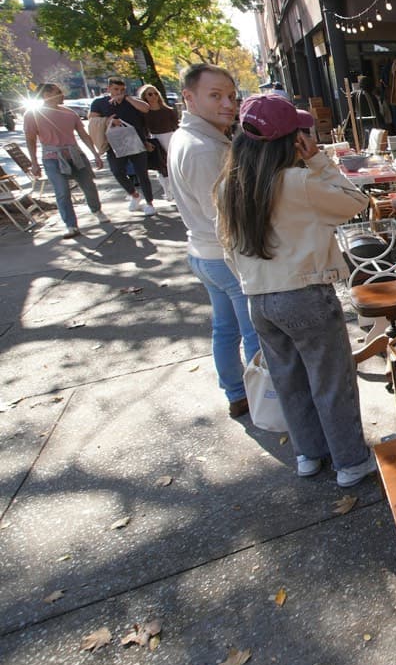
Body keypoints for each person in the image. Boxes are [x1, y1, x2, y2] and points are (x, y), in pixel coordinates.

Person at [217, 93, 375, 486]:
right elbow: (357, 201)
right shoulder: (298, 182)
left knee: (289, 381)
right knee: (331, 381)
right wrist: (318, 160)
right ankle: (351, 462)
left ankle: (309, 454)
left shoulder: (228, 185)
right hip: (304, 295)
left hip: (260, 299)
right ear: (290, 141)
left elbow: (227, 247)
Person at [171, 63, 259, 420]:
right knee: (253, 331)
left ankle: (238, 393)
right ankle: (266, 398)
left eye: (231, 96)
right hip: (222, 255)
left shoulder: (198, 137)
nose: (228, 104)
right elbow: (226, 217)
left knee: (226, 328)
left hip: (204, 253)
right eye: (216, 96)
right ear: (189, 98)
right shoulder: (203, 148)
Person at [23, 83, 107, 237]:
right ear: (46, 95)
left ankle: (97, 210)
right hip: (52, 159)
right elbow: (30, 140)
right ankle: (71, 225)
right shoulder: (32, 114)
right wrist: (34, 163)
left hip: (75, 155)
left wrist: (95, 154)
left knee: (89, 186)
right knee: (62, 191)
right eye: (58, 92)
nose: (62, 94)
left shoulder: (69, 113)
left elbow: (83, 134)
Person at [88, 77, 156, 214]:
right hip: (114, 143)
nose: (118, 92)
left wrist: (127, 98)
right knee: (117, 171)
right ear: (108, 89)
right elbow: (92, 119)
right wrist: (109, 121)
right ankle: (134, 195)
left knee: (142, 173)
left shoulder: (131, 100)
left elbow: (146, 108)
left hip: (136, 141)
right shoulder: (100, 103)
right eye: (115, 89)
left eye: (121, 89)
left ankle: (149, 203)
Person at [138, 84, 179, 186]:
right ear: (145, 97)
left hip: (170, 137)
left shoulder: (168, 110)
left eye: (156, 93)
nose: (154, 96)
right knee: (161, 165)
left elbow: (176, 125)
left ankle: (176, 186)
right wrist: (146, 141)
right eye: (150, 94)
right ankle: (167, 189)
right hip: (155, 139)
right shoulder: (143, 113)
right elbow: (142, 128)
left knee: (174, 163)